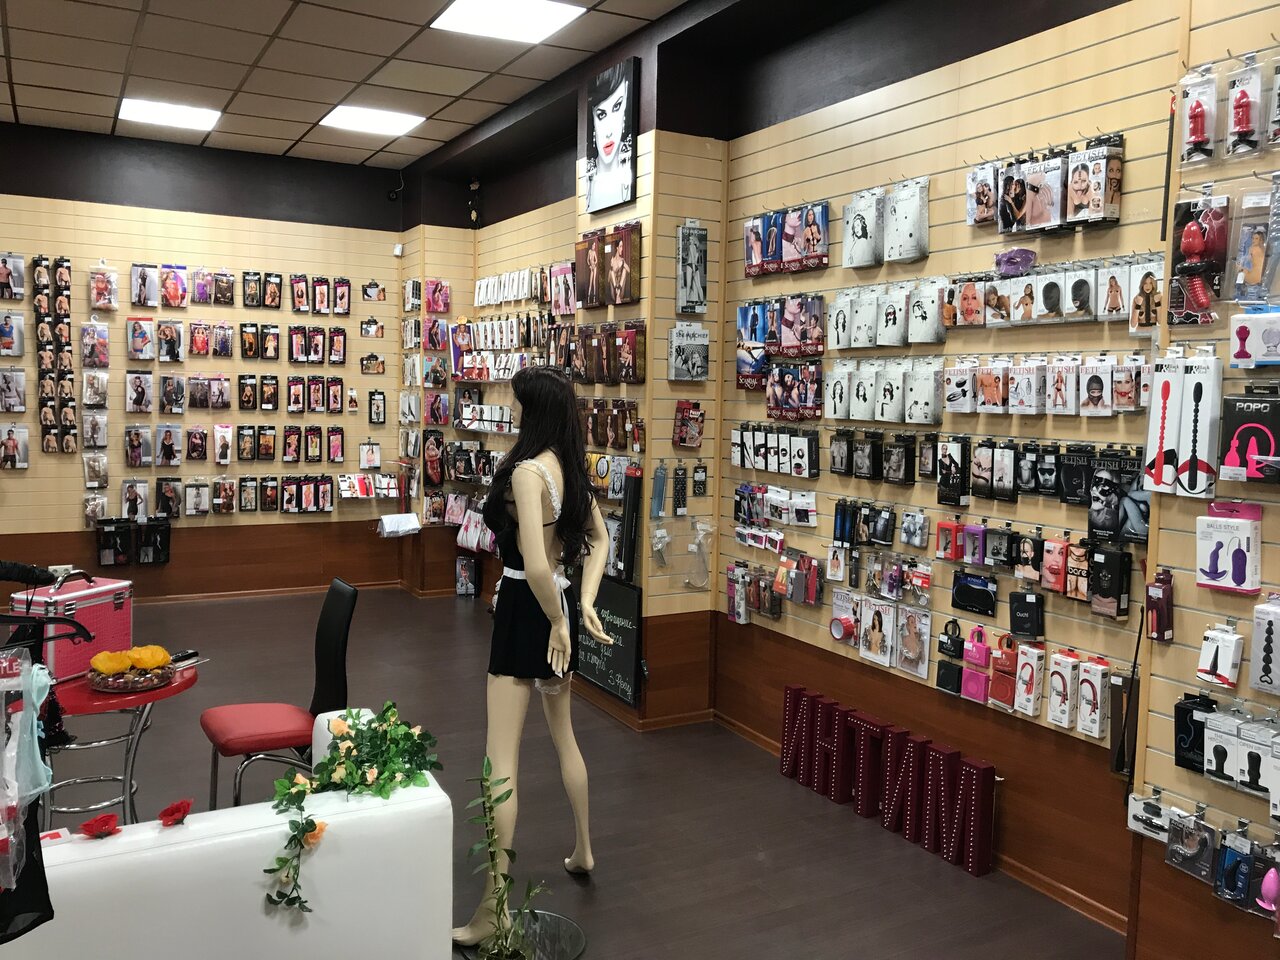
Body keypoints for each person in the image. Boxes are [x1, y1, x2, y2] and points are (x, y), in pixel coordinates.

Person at [455, 367, 613, 947]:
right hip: (558, 605)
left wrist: (557, 621)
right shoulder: (569, 468)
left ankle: (492, 910)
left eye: (521, 404)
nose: (515, 412)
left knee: (501, 758)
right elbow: (600, 540)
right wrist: (580, 604)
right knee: (564, 737)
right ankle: (584, 849)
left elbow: (536, 564)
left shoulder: (527, 472)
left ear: (535, 411)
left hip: (530, 608)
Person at [585, 62, 633, 212]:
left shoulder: (631, 169)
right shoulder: (588, 186)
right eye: (601, 115)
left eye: (617, 107)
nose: (609, 132)